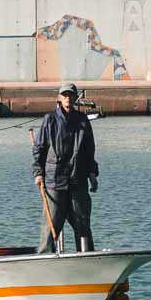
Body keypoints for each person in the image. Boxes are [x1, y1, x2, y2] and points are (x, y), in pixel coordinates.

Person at [32, 82, 99, 253]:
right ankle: (45, 256)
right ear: (59, 98)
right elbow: (39, 148)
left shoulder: (83, 120)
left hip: (78, 179)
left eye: (70, 95)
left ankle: (87, 256)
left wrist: (92, 173)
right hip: (55, 179)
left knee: (82, 223)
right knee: (51, 224)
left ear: (76, 98)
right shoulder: (50, 120)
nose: (67, 98)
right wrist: (38, 172)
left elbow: (89, 149)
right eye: (64, 95)